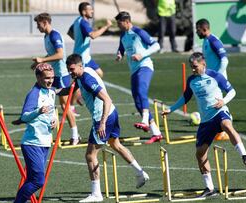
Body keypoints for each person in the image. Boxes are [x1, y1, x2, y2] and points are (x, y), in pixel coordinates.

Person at [162, 52, 246, 198]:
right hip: (205, 121)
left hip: (220, 112)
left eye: (195, 66)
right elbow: (185, 97)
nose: (193, 69)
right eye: (191, 67)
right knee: (200, 153)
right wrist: (170, 109)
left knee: (227, 126)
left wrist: (223, 102)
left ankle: (244, 155)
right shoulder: (191, 80)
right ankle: (210, 188)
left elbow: (232, 91)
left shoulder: (215, 76)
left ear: (203, 64)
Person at [63, 54, 149, 202]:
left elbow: (107, 99)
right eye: (68, 70)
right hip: (112, 113)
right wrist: (52, 89)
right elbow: (71, 87)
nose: (70, 73)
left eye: (72, 69)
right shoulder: (84, 73)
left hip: (103, 118)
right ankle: (140, 173)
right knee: (116, 144)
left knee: (90, 155)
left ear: (80, 65)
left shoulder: (87, 80)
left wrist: (102, 123)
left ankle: (96, 194)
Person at [32, 13, 81, 145]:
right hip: (54, 75)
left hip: (62, 74)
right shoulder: (46, 36)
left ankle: (75, 135)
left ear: (45, 22)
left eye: (38, 24)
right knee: (50, 102)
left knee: (65, 106)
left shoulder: (54, 35)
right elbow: (51, 53)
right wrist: (39, 63)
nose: (37, 27)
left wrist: (42, 60)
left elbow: (59, 54)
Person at [115, 11, 163, 144]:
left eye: (119, 23)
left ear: (127, 22)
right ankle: (156, 133)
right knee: (137, 102)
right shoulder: (123, 35)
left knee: (142, 92)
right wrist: (119, 54)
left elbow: (157, 45)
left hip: (145, 66)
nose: (118, 26)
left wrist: (142, 55)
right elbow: (121, 49)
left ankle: (144, 121)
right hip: (134, 71)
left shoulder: (139, 32)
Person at [14, 63, 57, 203]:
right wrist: (38, 111)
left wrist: (55, 118)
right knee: (38, 181)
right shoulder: (34, 94)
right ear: (38, 77)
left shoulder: (50, 91)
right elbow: (24, 117)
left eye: (52, 77)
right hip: (32, 143)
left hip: (45, 142)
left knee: (33, 179)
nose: (50, 80)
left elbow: (52, 109)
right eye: (47, 78)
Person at [71, 2, 112, 78]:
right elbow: (93, 35)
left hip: (85, 57)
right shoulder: (83, 22)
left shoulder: (77, 20)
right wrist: (107, 26)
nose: (92, 11)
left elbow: (70, 32)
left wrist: (78, 40)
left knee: (99, 74)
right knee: (81, 82)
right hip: (82, 59)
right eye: (89, 9)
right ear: (83, 12)